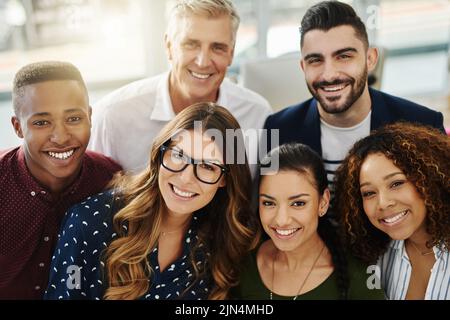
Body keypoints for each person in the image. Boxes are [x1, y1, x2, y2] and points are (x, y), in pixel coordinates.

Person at [44, 102, 260, 300]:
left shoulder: (220, 241)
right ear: (160, 154)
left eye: (207, 167)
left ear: (224, 178)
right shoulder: (89, 222)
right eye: (178, 156)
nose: (186, 178)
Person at [263, 1, 444, 191]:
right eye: (315, 60)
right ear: (303, 67)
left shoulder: (423, 125)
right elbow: (266, 205)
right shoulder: (277, 130)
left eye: (344, 56)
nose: (329, 74)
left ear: (370, 59)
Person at [89, 0, 271, 173]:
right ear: (169, 47)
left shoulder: (258, 115)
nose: (203, 62)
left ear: (231, 54)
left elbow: (269, 195)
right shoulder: (111, 116)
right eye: (191, 44)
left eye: (218, 48)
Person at [0, 61, 122, 299]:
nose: (61, 137)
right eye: (42, 123)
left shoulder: (111, 180)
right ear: (18, 127)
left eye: (74, 119)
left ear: (89, 116)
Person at [233, 143, 384, 299]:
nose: (282, 220)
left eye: (298, 203)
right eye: (269, 203)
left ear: (323, 203)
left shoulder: (358, 277)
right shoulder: (244, 264)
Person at [335, 122, 450, 300]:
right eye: (369, 193)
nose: (383, 203)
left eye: (396, 184)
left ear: (428, 180)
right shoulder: (374, 259)